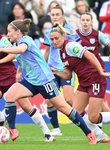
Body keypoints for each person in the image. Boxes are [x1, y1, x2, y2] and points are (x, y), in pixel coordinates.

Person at [0, 18, 98, 145]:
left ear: (18, 32)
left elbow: (21, 50)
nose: (8, 35)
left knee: (64, 108)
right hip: (31, 81)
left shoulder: (26, 40)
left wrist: (0, 50)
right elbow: (22, 57)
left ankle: (89, 133)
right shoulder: (17, 44)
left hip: (45, 80)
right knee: (10, 95)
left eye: (9, 32)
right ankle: (12, 129)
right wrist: (10, 67)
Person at [0, 15, 56, 142]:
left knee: (26, 105)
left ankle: (47, 133)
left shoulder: (2, 41)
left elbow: (14, 54)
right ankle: (2, 119)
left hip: (10, 78)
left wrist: (0, 60)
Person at [49, 22, 110, 134]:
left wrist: (101, 73)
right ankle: (101, 136)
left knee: (93, 118)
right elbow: (68, 75)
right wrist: (55, 71)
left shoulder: (70, 45)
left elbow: (91, 56)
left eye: (57, 38)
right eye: (52, 39)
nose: (54, 41)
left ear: (64, 36)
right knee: (76, 113)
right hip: (84, 82)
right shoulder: (61, 51)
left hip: (95, 79)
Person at [43, 5, 79, 135]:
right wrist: (43, 66)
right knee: (49, 100)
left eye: (57, 14)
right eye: (53, 15)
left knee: (70, 99)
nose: (55, 17)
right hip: (52, 69)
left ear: (63, 16)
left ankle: (87, 122)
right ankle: (56, 129)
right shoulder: (48, 31)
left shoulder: (69, 30)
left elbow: (77, 45)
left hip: (66, 68)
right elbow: (47, 50)